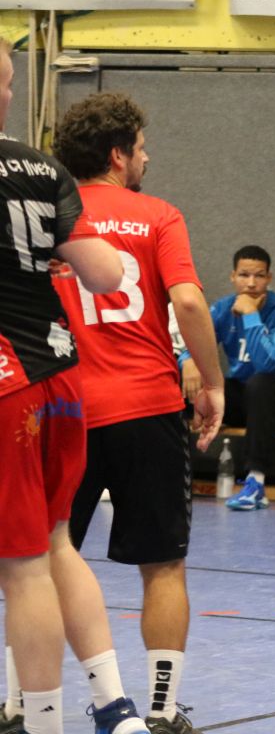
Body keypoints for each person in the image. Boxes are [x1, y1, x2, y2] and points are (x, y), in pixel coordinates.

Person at [50, 92, 225, 734]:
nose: (148, 159)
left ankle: (24, 703)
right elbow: (190, 303)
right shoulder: (158, 215)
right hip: (147, 409)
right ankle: (161, 709)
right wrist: (212, 383)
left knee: (41, 562)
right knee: (164, 565)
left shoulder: (50, 215)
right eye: (143, 148)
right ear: (119, 155)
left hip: (63, 410)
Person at [0, 39, 154, 734]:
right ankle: (113, 703)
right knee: (56, 543)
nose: (10, 94)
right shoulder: (42, 168)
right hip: (62, 374)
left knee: (23, 567)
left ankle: (40, 722)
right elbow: (106, 273)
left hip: (9, 386)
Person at [179, 245, 275, 511]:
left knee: (260, 383)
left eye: (259, 276)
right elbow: (195, 340)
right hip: (244, 395)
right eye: (244, 275)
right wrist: (188, 360)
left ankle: (255, 484)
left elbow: (268, 363)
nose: (251, 283)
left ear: (269, 278)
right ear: (233, 277)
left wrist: (251, 314)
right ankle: (164, 474)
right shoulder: (223, 308)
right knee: (174, 383)